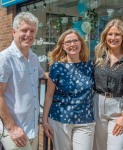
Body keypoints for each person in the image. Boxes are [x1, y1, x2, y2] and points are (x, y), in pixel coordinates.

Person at [93, 19, 123, 150]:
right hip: (97, 106)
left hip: (120, 108)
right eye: (110, 34)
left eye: (117, 34)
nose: (113, 38)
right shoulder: (99, 57)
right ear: (105, 37)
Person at [42, 29, 95, 150]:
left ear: (81, 43)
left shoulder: (90, 66)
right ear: (63, 46)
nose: (72, 44)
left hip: (85, 120)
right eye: (68, 42)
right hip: (60, 119)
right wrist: (44, 122)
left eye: (75, 41)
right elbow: (49, 96)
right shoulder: (57, 67)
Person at [0, 12, 46, 150]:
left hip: (32, 127)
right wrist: (12, 127)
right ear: (14, 32)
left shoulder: (33, 58)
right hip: (15, 130)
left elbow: (43, 75)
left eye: (32, 31)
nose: (28, 34)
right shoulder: (5, 58)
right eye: (24, 30)